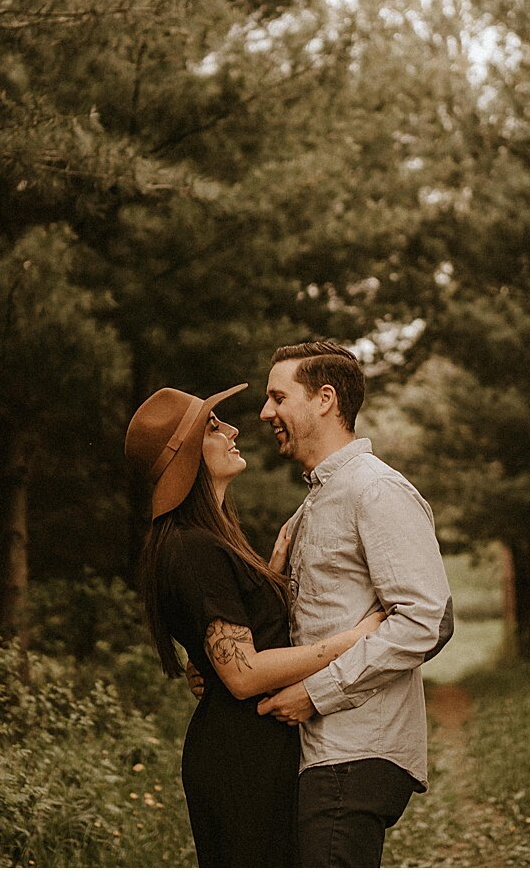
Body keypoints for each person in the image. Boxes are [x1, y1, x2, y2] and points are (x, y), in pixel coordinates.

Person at [125, 382, 386, 867]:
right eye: (213, 426)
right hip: (241, 761)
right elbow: (243, 674)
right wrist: (352, 639)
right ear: (187, 458)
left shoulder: (207, 541)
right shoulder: (193, 548)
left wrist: (270, 573)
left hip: (252, 751)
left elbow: (230, 641)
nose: (232, 430)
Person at [255, 341, 454, 867]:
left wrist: (315, 694)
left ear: (324, 399)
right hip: (322, 753)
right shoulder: (315, 502)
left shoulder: (376, 491)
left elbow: (426, 621)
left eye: (278, 397)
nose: (265, 413)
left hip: (356, 750)